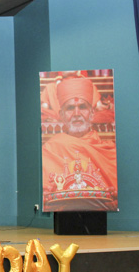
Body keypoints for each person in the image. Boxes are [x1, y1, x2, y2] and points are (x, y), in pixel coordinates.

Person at [41, 77, 118, 211]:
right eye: (70, 108)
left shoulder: (110, 151)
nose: (77, 114)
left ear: (92, 113)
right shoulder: (49, 150)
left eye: (82, 107)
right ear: (61, 115)